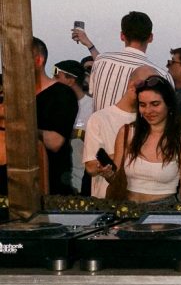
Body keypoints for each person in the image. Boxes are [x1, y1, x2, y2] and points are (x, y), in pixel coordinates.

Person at [111, 75, 181, 203]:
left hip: (165, 210)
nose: (148, 110)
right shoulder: (127, 132)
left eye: (155, 104)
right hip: (128, 208)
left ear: (169, 104)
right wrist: (106, 173)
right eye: (142, 105)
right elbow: (115, 177)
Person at [83, 65, 157, 198]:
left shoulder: (151, 119)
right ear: (132, 85)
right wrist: (120, 156)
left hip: (143, 199)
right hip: (107, 199)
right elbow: (90, 166)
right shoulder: (99, 118)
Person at [89, 11, 172, 111]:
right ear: (150, 38)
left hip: (98, 121)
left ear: (122, 36)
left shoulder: (100, 60)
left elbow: (92, 94)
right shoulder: (162, 76)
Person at [34, 37, 78, 195]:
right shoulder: (11, 93)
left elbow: (55, 142)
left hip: (52, 185)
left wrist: (20, 129)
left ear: (38, 60)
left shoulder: (62, 94)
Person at [53, 60, 94, 195]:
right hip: (59, 178)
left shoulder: (93, 107)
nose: (53, 81)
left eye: (57, 77)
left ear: (71, 80)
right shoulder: (54, 106)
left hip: (84, 180)